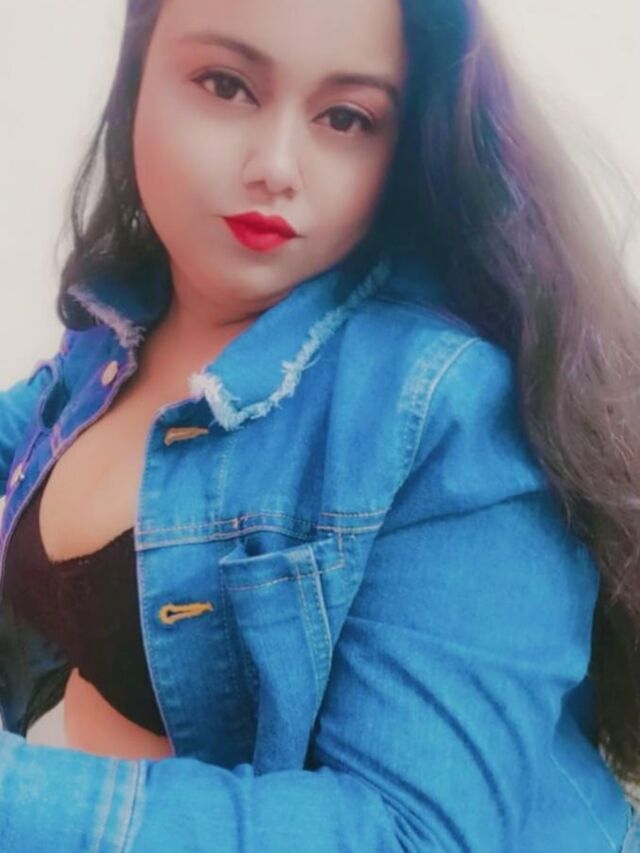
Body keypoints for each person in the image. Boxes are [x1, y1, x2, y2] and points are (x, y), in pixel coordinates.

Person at [0, 0, 639, 849]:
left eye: (346, 118)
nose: (275, 167)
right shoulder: (118, 324)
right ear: (135, 76)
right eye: (226, 85)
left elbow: (408, 834)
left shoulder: (448, 408)